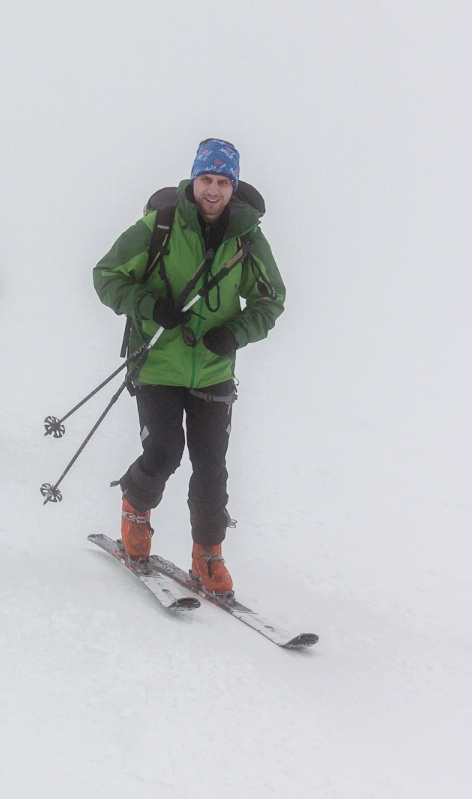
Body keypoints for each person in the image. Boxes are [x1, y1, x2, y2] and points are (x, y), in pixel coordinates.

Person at [92, 139, 286, 593]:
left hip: (214, 370)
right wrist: (149, 306)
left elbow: (271, 300)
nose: (213, 190)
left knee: (211, 467)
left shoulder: (247, 236)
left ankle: (208, 556)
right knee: (163, 453)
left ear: (233, 186)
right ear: (193, 180)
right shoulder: (160, 224)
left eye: (222, 182)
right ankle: (135, 510)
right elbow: (106, 275)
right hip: (158, 363)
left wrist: (236, 332)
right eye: (206, 179)